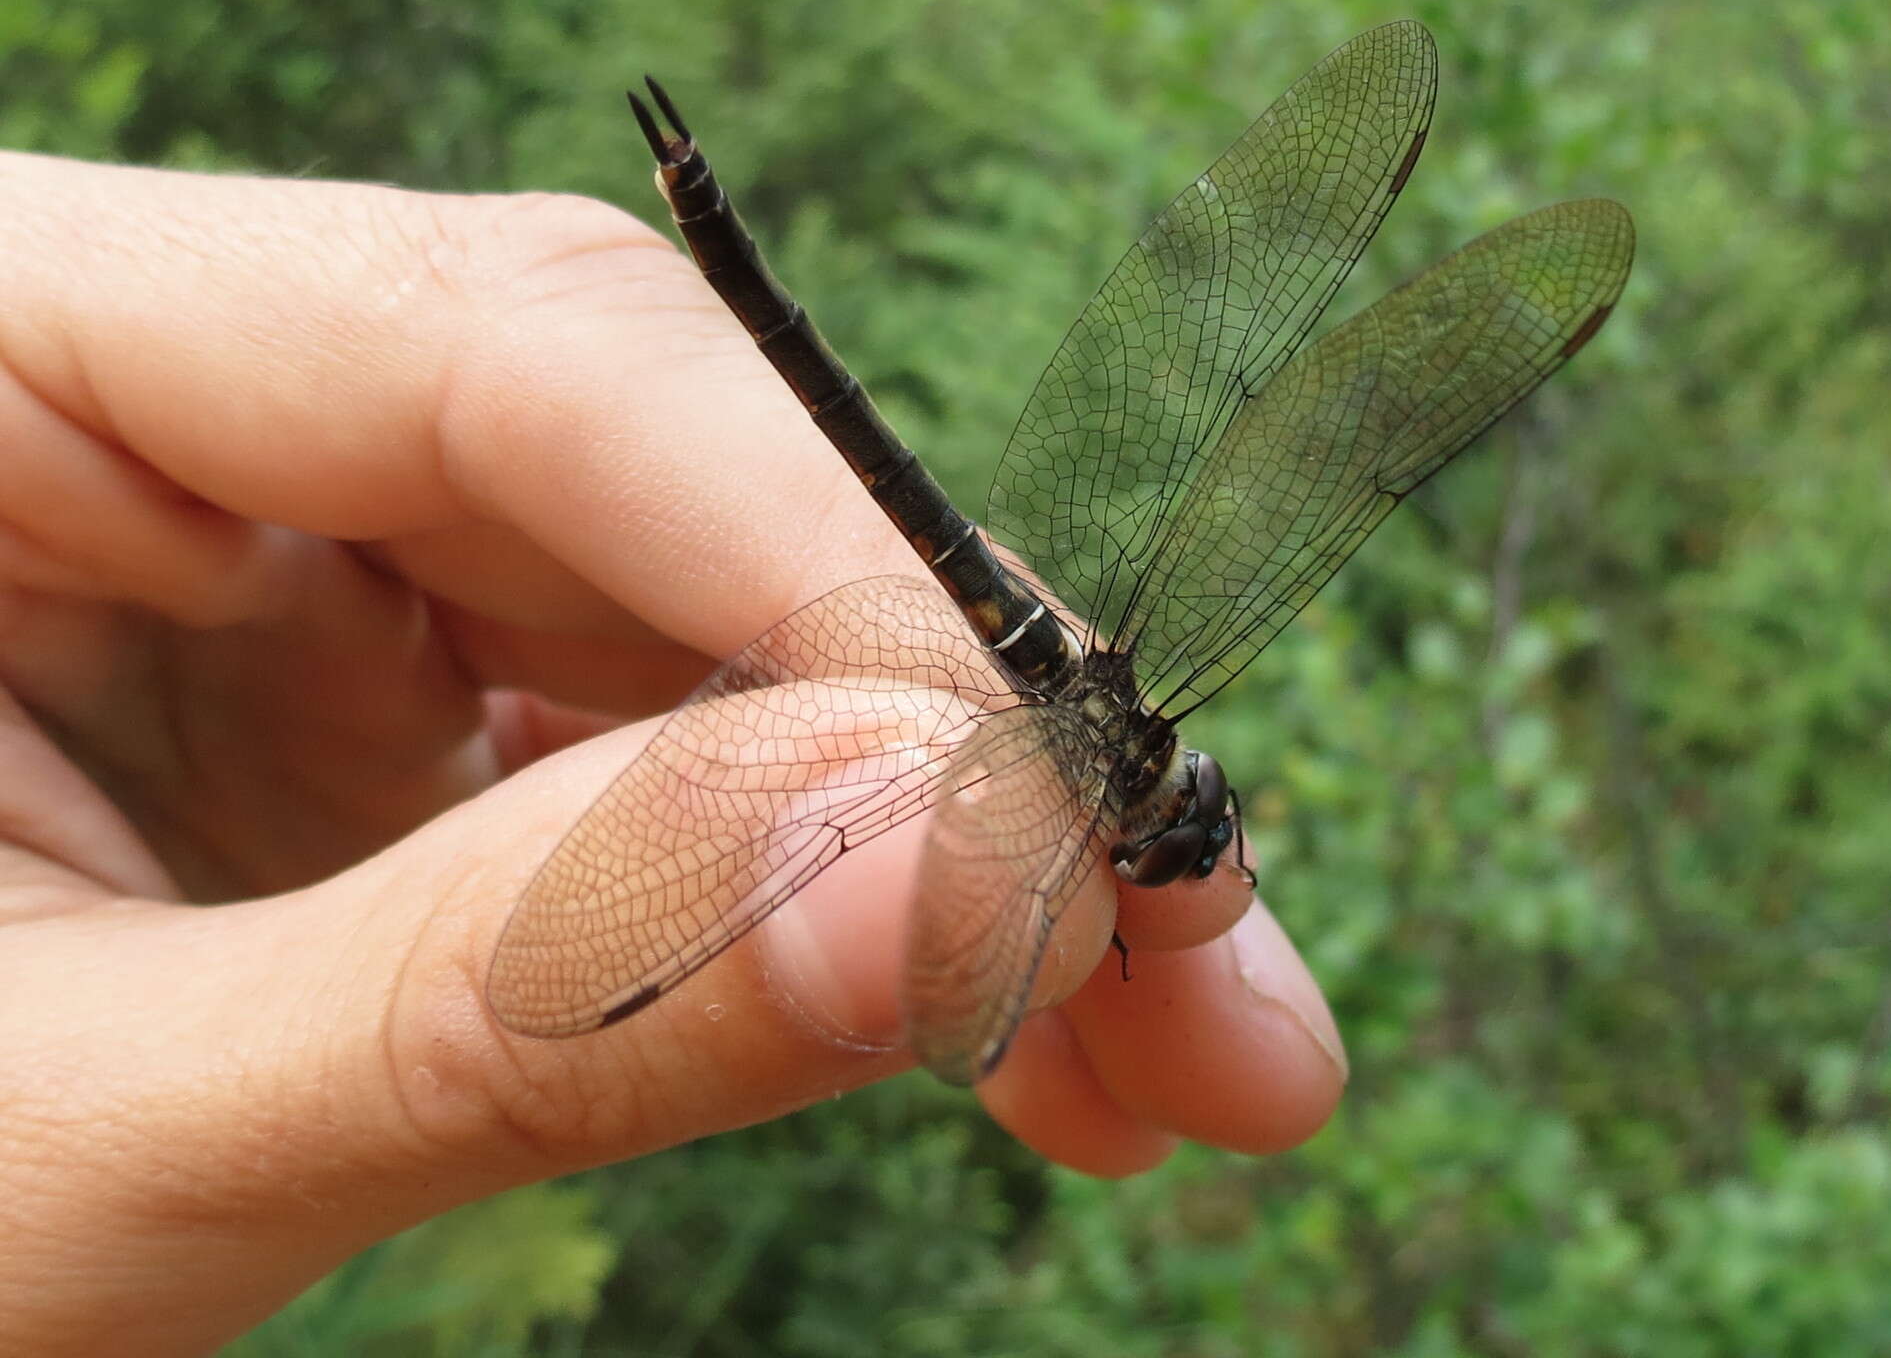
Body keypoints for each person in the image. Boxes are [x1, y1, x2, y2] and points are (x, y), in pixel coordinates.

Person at [0, 152, 1348, 1355]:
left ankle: (698, 196)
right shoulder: (1064, 779)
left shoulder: (1071, 768)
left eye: (1181, 824)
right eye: (1184, 820)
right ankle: (705, 205)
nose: (1182, 824)